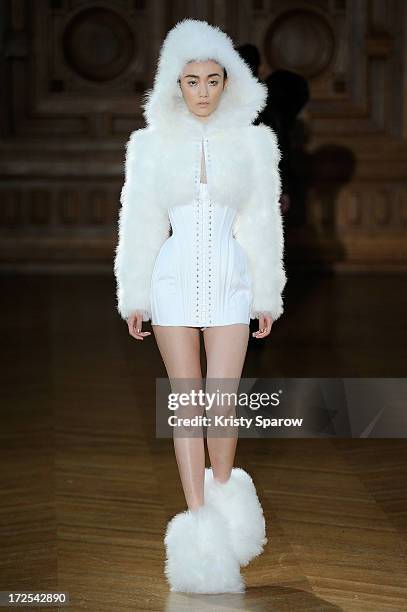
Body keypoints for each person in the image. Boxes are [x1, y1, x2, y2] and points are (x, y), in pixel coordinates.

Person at [114, 18, 287, 594]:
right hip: (170, 284)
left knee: (223, 400)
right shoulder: (150, 145)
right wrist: (134, 292)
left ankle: (223, 497)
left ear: (230, 82)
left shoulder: (255, 144)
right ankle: (197, 529)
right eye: (193, 80)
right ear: (175, 84)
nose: (204, 90)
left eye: (214, 79)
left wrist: (268, 292)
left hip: (232, 283)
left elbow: (263, 222)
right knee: (187, 403)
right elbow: (137, 220)